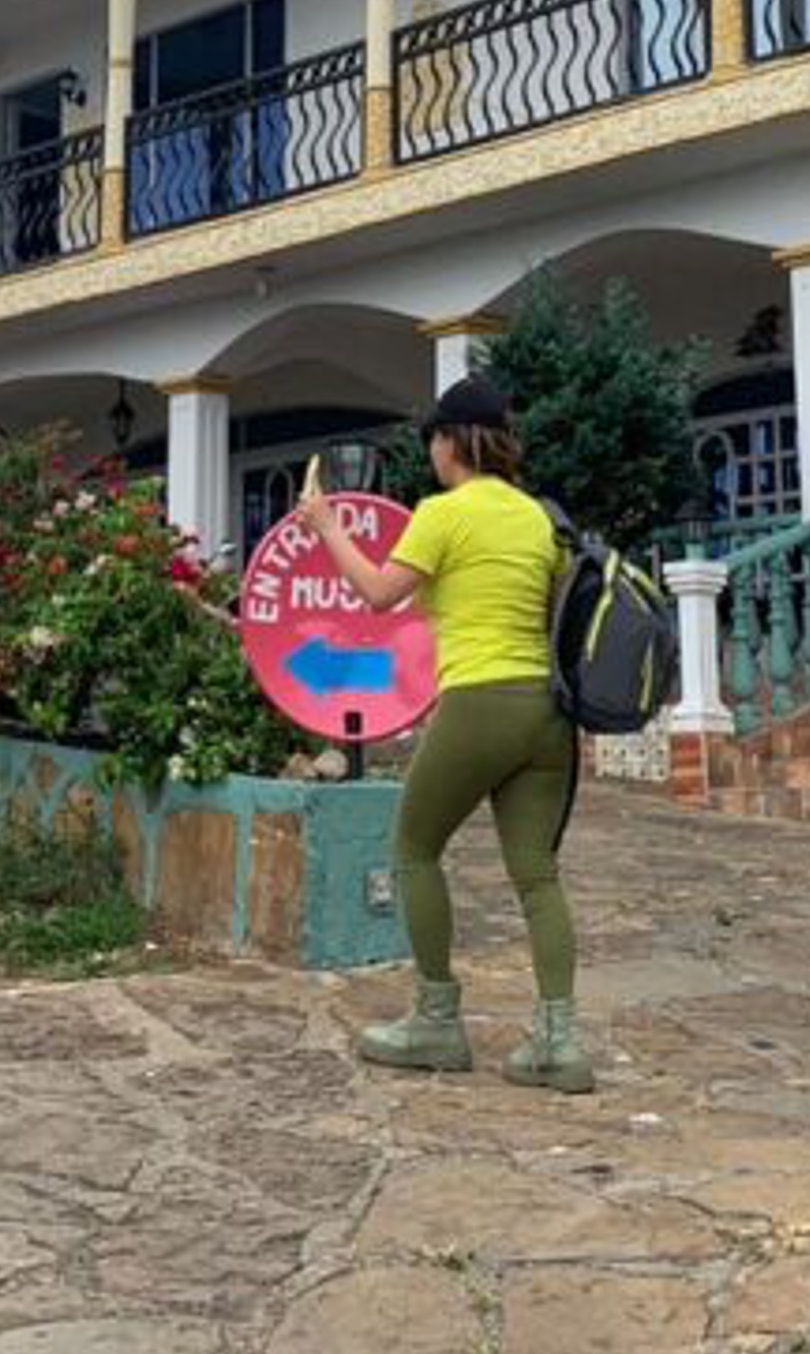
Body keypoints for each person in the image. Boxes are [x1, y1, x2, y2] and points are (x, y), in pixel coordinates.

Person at [297, 376, 589, 1093]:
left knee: (414, 847)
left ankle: (435, 1020)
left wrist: (326, 525)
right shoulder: (540, 518)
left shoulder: (443, 512)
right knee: (537, 874)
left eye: (433, 438)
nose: (430, 451)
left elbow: (378, 594)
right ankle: (558, 1042)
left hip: (479, 701)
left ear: (452, 441)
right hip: (547, 714)